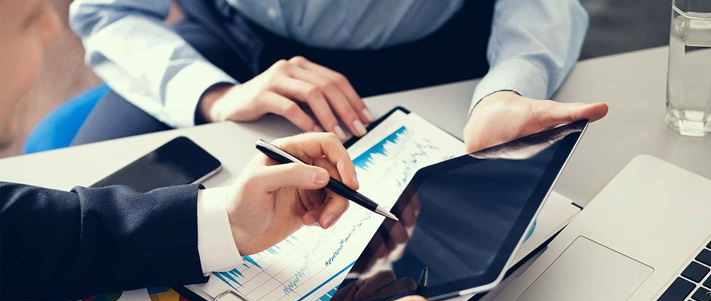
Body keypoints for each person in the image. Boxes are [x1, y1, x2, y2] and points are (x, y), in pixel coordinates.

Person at [0, 1, 433, 301]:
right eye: (26, 18)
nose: (53, 26)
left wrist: (223, 222)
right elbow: (106, 12)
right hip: (220, 37)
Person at [69, 0, 608, 152]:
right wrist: (213, 96)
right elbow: (107, 12)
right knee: (89, 185)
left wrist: (508, 86)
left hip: (434, 50)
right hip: (232, 41)